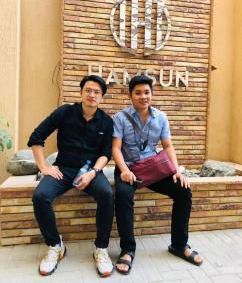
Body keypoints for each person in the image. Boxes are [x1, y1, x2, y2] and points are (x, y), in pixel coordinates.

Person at [112, 75, 203, 275]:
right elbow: (116, 149)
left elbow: (167, 145)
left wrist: (176, 171)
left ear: (152, 94)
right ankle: (128, 250)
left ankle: (179, 245)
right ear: (130, 95)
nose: (143, 96)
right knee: (123, 195)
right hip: (128, 169)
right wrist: (125, 170)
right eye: (138, 93)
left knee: (183, 190)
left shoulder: (160, 117)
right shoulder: (119, 118)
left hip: (152, 168)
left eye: (147, 92)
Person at [28, 75, 114, 277]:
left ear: (102, 97)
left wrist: (93, 172)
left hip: (90, 171)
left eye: (97, 92)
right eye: (88, 90)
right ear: (81, 92)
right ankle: (55, 246)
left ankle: (101, 248)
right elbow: (36, 137)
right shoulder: (65, 112)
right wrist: (44, 167)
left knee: (107, 195)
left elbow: (106, 154)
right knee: (40, 196)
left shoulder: (106, 121)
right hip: (64, 169)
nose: (92, 95)